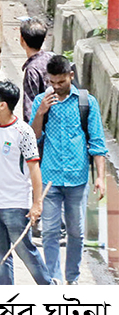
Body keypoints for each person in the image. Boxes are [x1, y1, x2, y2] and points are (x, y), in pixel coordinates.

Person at [30, 54, 107, 285]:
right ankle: (53, 279)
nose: (56, 87)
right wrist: (41, 112)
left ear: (71, 76)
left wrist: (101, 178)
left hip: (77, 178)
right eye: (52, 82)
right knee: (50, 232)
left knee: (76, 232)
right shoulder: (41, 101)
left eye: (61, 82)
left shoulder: (87, 102)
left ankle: (72, 278)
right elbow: (34, 137)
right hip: (50, 178)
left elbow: (98, 143)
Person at [0, 78, 50, 285]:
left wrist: (37, 204)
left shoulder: (23, 132)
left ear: (3, 104)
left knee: (26, 253)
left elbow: (34, 168)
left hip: (15, 206)